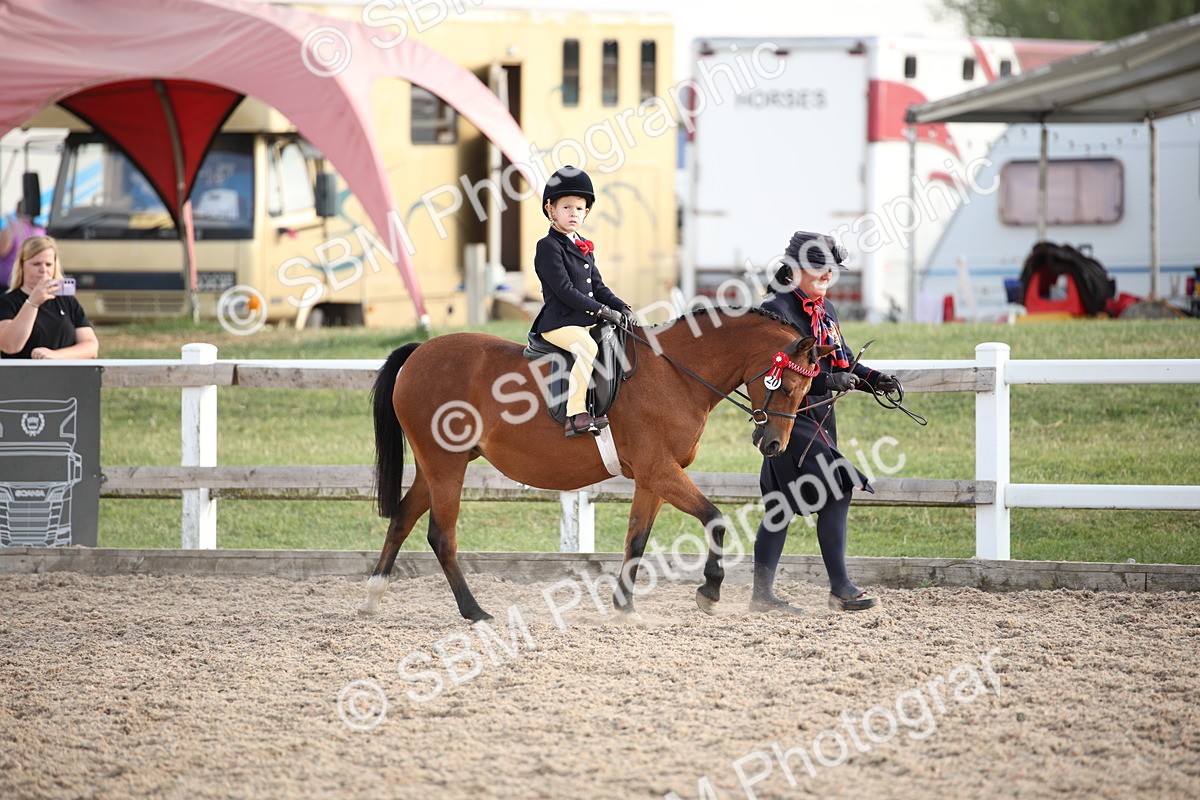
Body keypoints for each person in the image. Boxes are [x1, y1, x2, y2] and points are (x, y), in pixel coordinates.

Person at [751, 230, 900, 614]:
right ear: (795, 268)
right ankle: (841, 588)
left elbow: (843, 362)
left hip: (820, 419)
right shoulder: (775, 311)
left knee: (780, 505)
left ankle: (761, 596)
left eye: (830, 268)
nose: (825, 275)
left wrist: (873, 380)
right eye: (817, 268)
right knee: (839, 487)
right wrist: (825, 381)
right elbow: (775, 375)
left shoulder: (825, 311)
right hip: (789, 418)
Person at [530, 166, 633, 436]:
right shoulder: (548, 246)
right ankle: (575, 414)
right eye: (566, 207)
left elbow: (597, 286)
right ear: (550, 209)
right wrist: (601, 310)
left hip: (583, 320)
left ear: (586, 212)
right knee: (587, 347)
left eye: (579, 208)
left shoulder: (582, 244)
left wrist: (621, 306)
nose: (574, 213)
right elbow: (564, 290)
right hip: (559, 323)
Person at [0, 235, 99, 360]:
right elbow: (10, 346)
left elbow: (91, 347)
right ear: (22, 266)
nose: (43, 270)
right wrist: (32, 303)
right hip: (23, 376)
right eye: (36, 264)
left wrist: (55, 355)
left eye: (48, 264)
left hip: (65, 375)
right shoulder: (7, 302)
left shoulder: (67, 301)